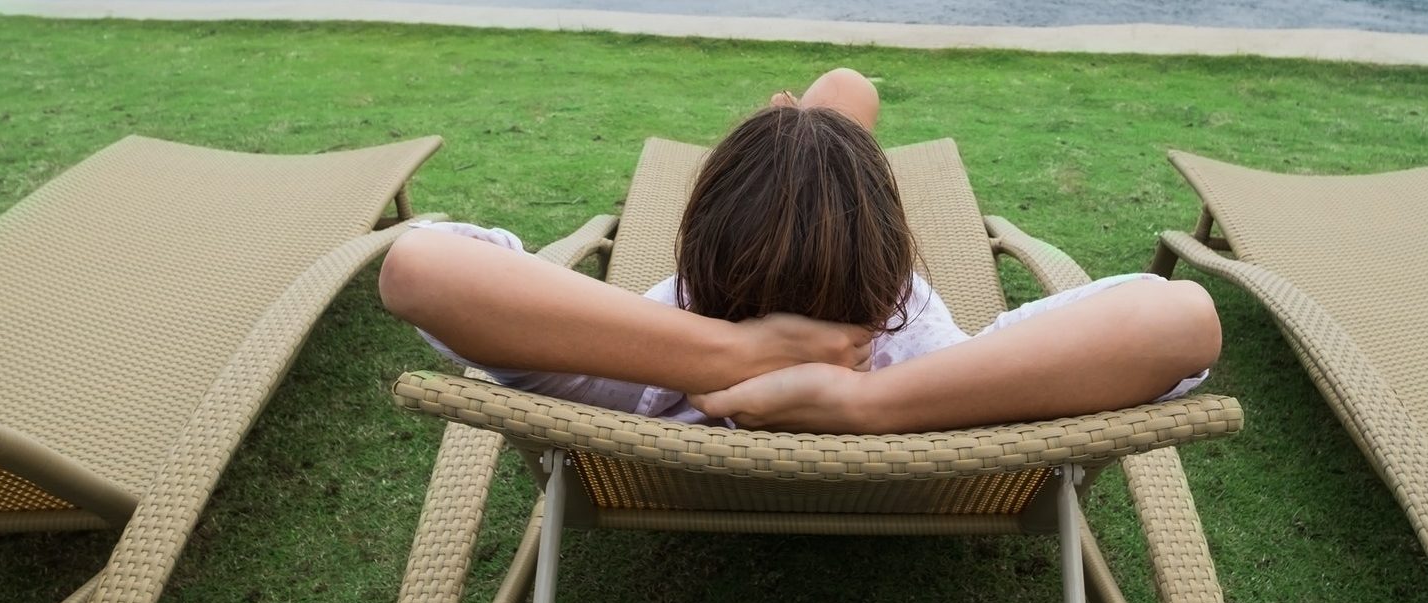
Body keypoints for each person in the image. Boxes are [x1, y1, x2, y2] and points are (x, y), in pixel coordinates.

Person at [378, 68, 1221, 435]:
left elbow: (418, 266)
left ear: (697, 249)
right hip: (875, 346)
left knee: (836, 102)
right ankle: (802, 144)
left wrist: (729, 351)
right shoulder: (928, 367)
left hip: (705, 331)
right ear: (891, 263)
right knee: (845, 95)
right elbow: (1180, 319)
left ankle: (794, 144)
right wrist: (862, 406)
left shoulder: (629, 366)